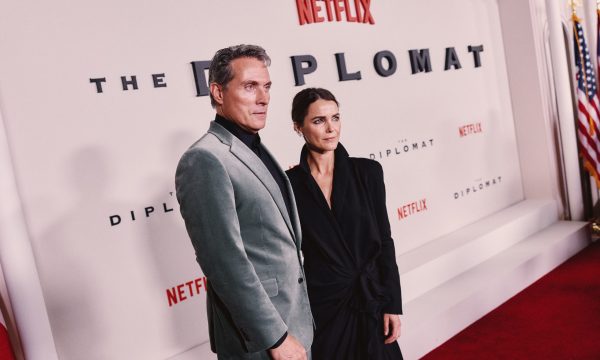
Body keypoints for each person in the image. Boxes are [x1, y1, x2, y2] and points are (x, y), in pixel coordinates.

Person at [175, 45, 313, 360]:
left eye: (266, 87)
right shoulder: (205, 159)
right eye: (250, 87)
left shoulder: (253, 147)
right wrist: (276, 338)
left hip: (294, 319)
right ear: (218, 92)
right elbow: (225, 263)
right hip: (260, 340)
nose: (263, 98)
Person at [286, 88, 403, 360]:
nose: (331, 129)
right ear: (298, 127)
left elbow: (384, 241)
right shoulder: (289, 185)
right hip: (324, 305)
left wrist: (392, 303)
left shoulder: (367, 172)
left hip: (371, 301)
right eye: (319, 121)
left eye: (335, 118)